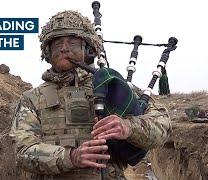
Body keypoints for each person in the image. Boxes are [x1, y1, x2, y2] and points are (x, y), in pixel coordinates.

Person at [9, 10, 172, 180]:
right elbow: (23, 150)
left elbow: (163, 126)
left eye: (72, 42)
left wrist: (128, 127)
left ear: (88, 50)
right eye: (57, 44)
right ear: (48, 52)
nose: (64, 48)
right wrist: (71, 157)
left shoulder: (111, 86)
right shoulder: (32, 98)